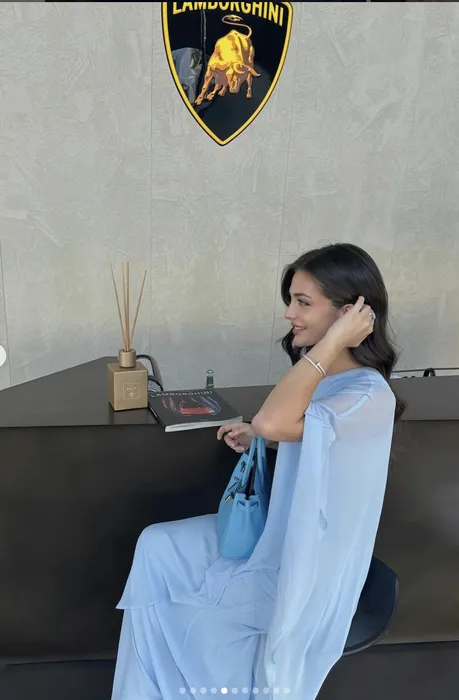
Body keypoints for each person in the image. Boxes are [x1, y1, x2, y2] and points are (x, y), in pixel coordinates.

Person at [111, 243, 404, 700]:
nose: (290, 314)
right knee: (157, 546)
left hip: (308, 565)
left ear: (349, 314)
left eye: (303, 302)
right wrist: (264, 439)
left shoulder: (367, 394)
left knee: (202, 623)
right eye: (291, 300)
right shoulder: (323, 377)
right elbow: (299, 432)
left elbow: (276, 420)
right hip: (275, 535)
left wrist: (329, 345)